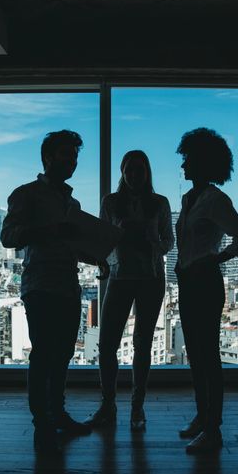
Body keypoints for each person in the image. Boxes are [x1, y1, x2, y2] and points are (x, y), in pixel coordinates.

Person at [0, 129, 108, 454]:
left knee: (61, 354)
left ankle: (56, 413)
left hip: (67, 284)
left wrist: (98, 259)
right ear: (48, 158)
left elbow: (71, 246)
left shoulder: (72, 202)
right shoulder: (26, 194)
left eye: (75, 156)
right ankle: (41, 420)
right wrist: (51, 230)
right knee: (44, 354)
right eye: (66, 155)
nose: (72, 162)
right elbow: (9, 236)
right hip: (41, 283)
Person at [174, 128, 238, 454]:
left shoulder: (216, 200)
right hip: (187, 281)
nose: (183, 166)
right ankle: (202, 417)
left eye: (188, 159)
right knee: (195, 352)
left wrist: (214, 259)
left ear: (202, 162)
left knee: (208, 356)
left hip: (205, 282)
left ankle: (213, 429)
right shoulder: (189, 198)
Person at [84, 150, 173, 431]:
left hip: (151, 277)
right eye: (129, 170)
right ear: (122, 173)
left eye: (139, 170)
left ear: (147, 172)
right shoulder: (110, 203)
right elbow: (102, 239)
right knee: (108, 343)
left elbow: (169, 242)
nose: (134, 175)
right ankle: (109, 405)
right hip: (120, 276)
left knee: (142, 343)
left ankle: (137, 406)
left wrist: (151, 240)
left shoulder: (160, 203)